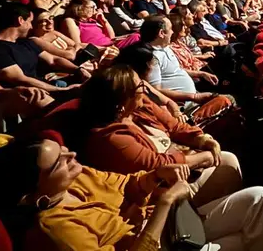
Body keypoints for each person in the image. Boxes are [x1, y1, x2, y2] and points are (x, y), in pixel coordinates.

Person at [0, 137, 263, 251]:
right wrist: (163, 202)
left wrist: (153, 178)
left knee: (259, 199)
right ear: (32, 195)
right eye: (58, 161)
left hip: (172, 224)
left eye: (63, 149)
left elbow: (123, 184)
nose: (71, 156)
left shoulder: (77, 177)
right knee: (249, 240)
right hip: (160, 238)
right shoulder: (57, 231)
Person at [78, 65, 242, 208]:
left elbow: (175, 126)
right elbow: (157, 165)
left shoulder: (141, 106)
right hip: (164, 188)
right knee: (229, 164)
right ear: (121, 103)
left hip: (184, 161)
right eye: (139, 87)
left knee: (228, 161)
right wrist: (204, 157)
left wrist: (203, 140)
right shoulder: (110, 139)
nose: (145, 88)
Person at [0, 4, 83, 93]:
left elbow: (53, 60)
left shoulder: (25, 42)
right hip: (25, 93)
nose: (31, 26)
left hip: (46, 85)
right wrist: (62, 90)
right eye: (30, 22)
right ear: (20, 20)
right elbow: (19, 79)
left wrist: (79, 70)